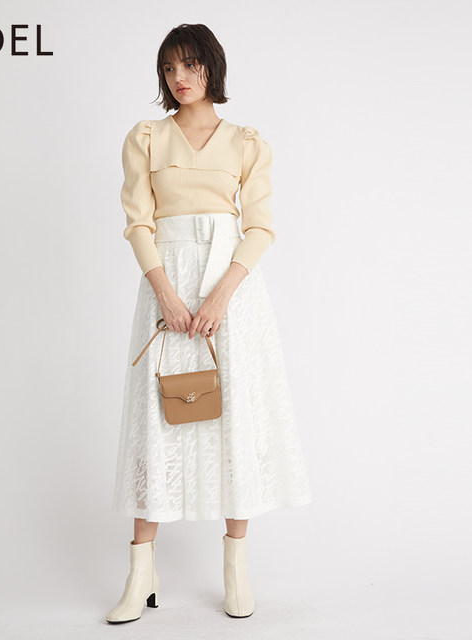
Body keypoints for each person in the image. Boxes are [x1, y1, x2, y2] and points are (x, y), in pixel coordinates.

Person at [106, 23, 312, 624]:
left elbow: (261, 227)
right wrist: (166, 295)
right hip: (165, 285)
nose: (180, 77)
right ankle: (141, 573)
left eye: (191, 65)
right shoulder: (146, 137)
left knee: (233, 417)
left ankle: (236, 569)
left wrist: (221, 295)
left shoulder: (247, 143)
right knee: (156, 420)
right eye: (170, 68)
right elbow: (138, 224)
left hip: (232, 291)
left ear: (212, 69)